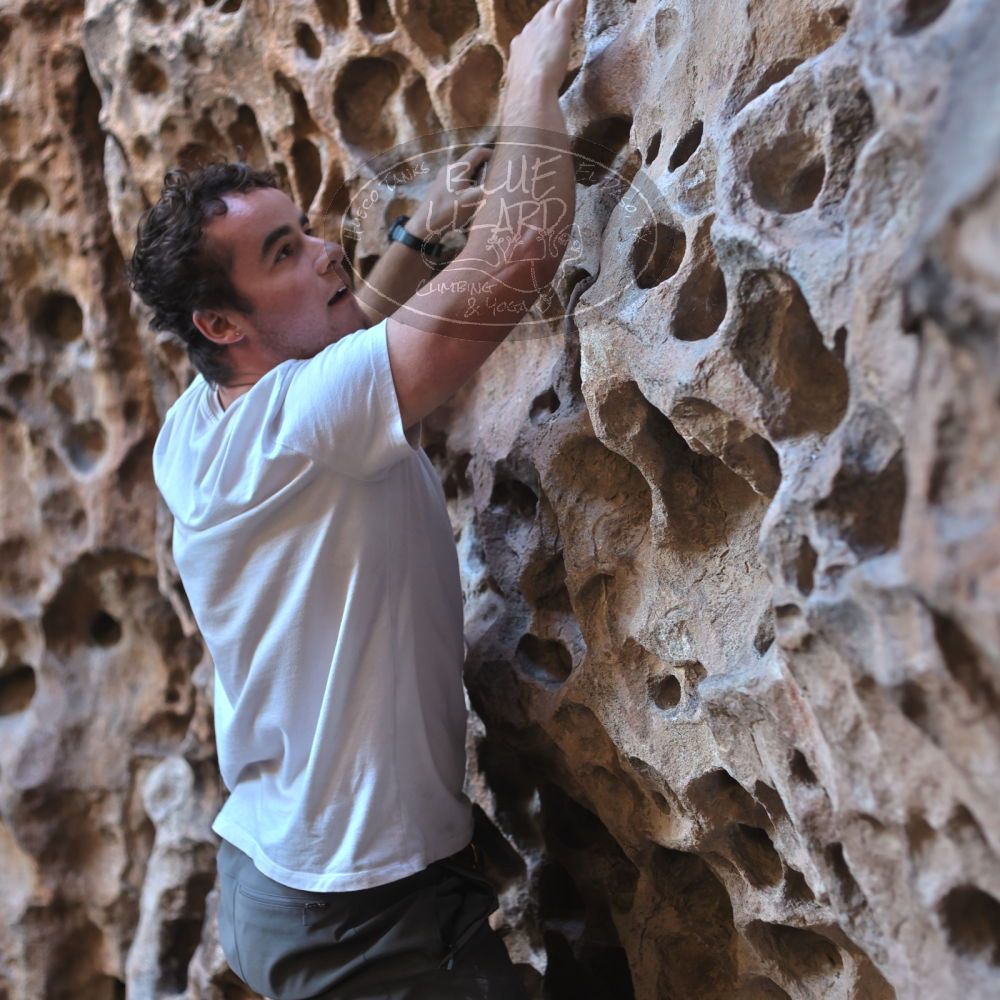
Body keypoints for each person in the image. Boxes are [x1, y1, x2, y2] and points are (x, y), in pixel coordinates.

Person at [127, 0, 583, 995]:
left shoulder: (198, 424)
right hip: (361, 920)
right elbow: (520, 253)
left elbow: (341, 351)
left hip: (286, 875)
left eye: (304, 230)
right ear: (220, 322)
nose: (326, 251)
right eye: (284, 253)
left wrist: (415, 234)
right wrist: (529, 84)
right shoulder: (306, 424)